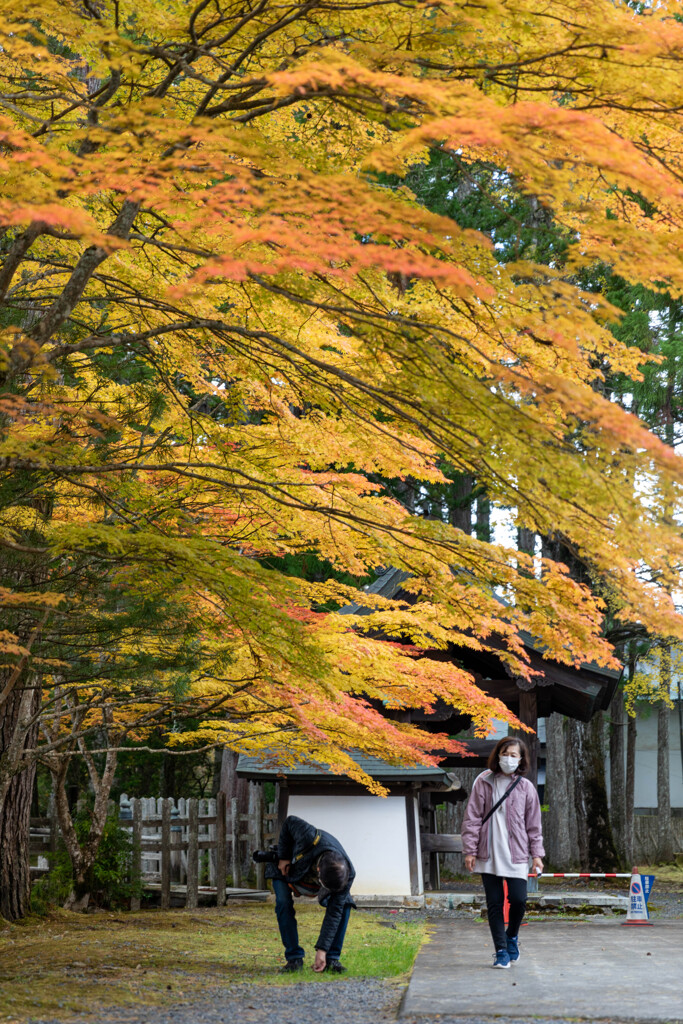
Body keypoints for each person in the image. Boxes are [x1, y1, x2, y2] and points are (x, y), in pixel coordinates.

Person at [461, 737, 544, 969]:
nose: (509, 758)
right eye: (505, 753)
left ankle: (512, 937)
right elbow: (472, 817)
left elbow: (534, 825)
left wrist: (536, 855)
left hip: (516, 854)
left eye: (514, 755)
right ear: (498, 755)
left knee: (519, 900)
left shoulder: (526, 787)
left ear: (521, 759)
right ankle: (500, 951)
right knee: (494, 904)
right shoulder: (483, 781)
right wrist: (470, 850)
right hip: (487, 852)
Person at [266, 814, 356, 974]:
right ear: (319, 871)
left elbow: (334, 912)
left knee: (344, 905)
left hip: (312, 877)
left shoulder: (347, 874)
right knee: (283, 903)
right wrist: (284, 856)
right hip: (286, 867)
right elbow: (289, 821)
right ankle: (294, 959)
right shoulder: (308, 836)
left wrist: (322, 950)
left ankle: (331, 959)